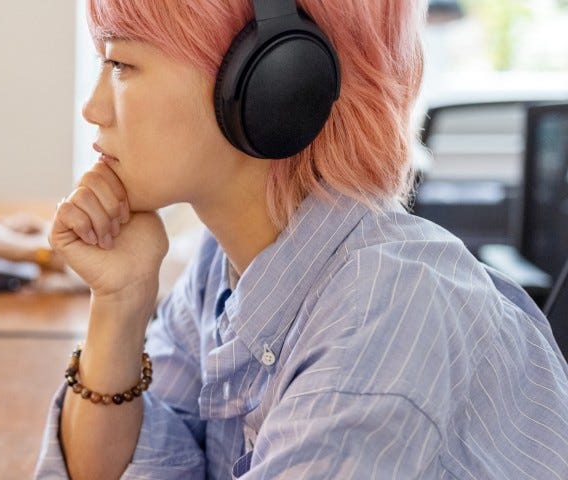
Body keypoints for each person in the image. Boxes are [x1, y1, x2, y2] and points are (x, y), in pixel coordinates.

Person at [36, 0, 568, 479]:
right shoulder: (220, 266)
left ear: (274, 78)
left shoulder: (386, 309)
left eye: (122, 64)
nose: (93, 108)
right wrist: (120, 301)